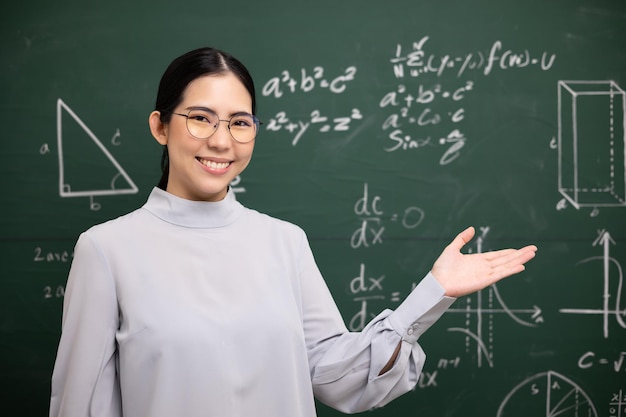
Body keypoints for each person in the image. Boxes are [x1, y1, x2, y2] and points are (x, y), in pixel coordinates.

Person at [49, 47, 537, 417]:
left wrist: (434, 293)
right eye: (200, 118)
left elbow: (335, 375)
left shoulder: (283, 241)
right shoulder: (107, 249)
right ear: (161, 126)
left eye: (240, 123)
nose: (221, 141)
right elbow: (82, 403)